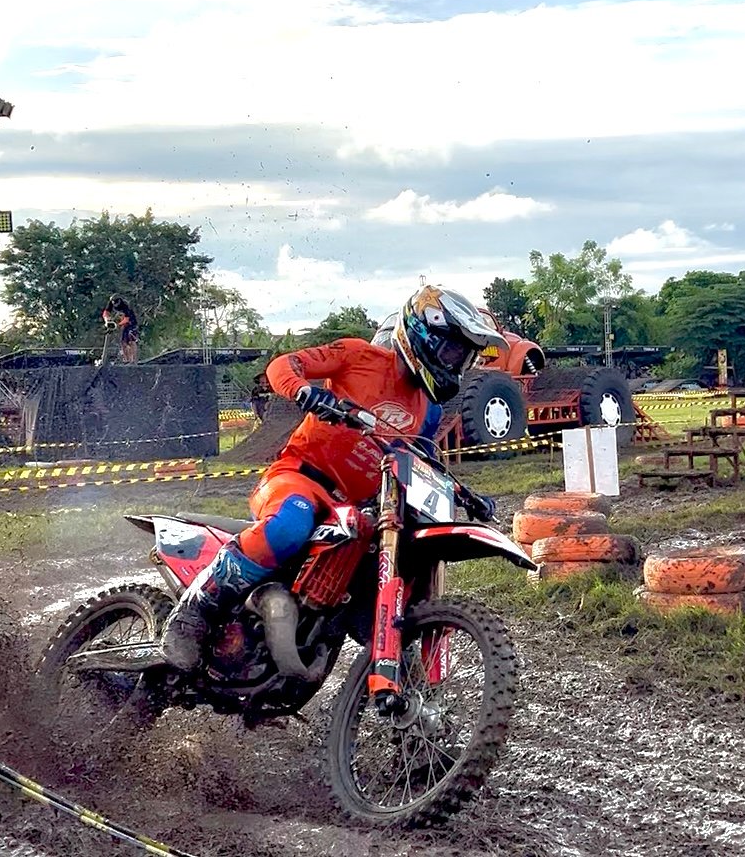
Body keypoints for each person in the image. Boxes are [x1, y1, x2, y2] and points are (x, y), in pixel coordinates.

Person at [160, 285, 506, 670]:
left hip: (356, 508)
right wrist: (306, 393)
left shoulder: (429, 411)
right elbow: (283, 366)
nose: (457, 365)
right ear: (425, 335)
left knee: (385, 562)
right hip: (300, 477)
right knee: (290, 525)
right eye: (454, 352)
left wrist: (464, 494)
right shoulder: (358, 355)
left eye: (465, 358)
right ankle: (193, 613)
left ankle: (387, 669)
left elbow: (421, 458)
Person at [102, 294, 139, 364]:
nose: (114, 304)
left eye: (116, 302)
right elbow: (105, 312)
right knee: (123, 342)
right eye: (113, 302)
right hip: (123, 324)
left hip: (131, 324)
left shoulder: (125, 306)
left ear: (119, 301)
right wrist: (107, 320)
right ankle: (126, 360)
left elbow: (127, 319)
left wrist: (117, 324)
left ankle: (133, 360)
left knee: (131, 341)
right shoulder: (111, 303)